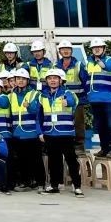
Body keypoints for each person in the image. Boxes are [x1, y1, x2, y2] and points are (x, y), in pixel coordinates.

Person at [40, 68, 84, 197]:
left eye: (55, 78)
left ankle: (77, 186)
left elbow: (74, 102)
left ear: (61, 80)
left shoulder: (68, 93)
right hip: (50, 133)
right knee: (54, 161)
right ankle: (54, 185)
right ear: (46, 81)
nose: (52, 80)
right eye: (50, 78)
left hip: (66, 133)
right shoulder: (43, 96)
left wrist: (68, 102)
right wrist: (40, 132)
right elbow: (39, 116)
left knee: (71, 160)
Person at [83, 38, 111, 159]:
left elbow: (110, 67)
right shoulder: (89, 63)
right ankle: (104, 149)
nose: (97, 49)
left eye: (99, 47)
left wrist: (99, 61)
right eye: (94, 48)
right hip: (94, 99)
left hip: (109, 99)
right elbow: (86, 79)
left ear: (104, 49)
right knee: (100, 126)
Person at [8, 68, 45, 191]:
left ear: (28, 80)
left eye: (23, 79)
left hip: (32, 133)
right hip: (17, 133)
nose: (20, 81)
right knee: (21, 160)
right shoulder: (11, 95)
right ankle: (25, 182)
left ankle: (40, 183)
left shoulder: (35, 94)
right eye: (18, 78)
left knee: (36, 159)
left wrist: (29, 107)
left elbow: (37, 112)